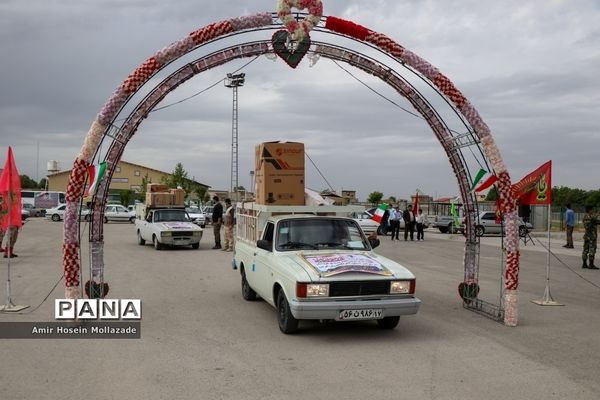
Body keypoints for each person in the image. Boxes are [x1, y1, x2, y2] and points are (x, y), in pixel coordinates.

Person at [581, 205, 600, 269]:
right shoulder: (592, 217)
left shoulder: (584, 217)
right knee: (592, 250)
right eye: (592, 210)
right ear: (590, 210)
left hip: (586, 236)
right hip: (592, 236)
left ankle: (584, 264)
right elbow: (596, 220)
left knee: (585, 250)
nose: (592, 211)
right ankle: (591, 265)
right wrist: (598, 214)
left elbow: (596, 222)